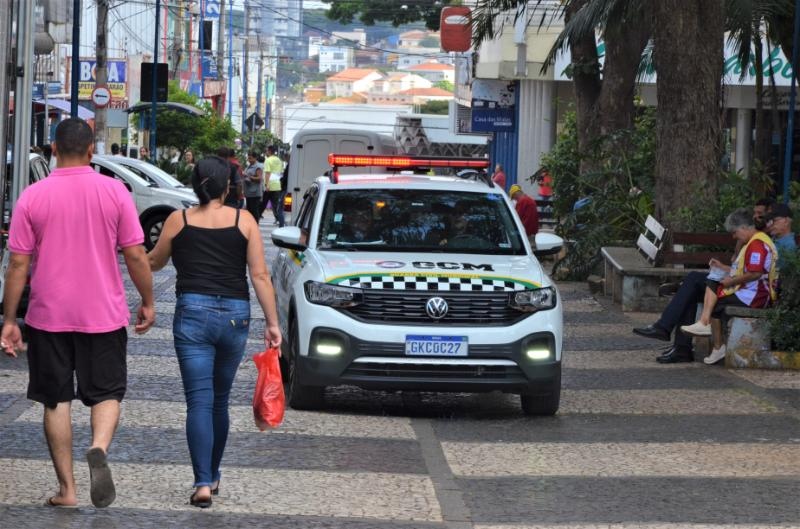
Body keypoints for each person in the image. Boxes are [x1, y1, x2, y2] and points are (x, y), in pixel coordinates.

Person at [1, 118, 155, 508]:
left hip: (48, 315)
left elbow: (18, 265)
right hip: (102, 313)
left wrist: (7, 321)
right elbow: (136, 254)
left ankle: (67, 490)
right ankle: (99, 447)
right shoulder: (115, 191)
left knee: (56, 400)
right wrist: (148, 301)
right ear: (92, 151)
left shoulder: (32, 196)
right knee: (106, 393)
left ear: (53, 149)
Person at [147, 156, 282, 509]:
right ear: (228, 186)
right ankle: (215, 472)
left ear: (195, 185)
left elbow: (153, 262)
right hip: (235, 316)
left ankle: (202, 482)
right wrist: (272, 323)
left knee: (198, 401)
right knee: (219, 400)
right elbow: (260, 276)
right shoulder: (245, 220)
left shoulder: (178, 220)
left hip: (192, 313)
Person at [680, 209, 778, 364]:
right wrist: (724, 268)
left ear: (744, 228)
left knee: (715, 301)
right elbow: (742, 270)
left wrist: (731, 282)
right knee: (712, 285)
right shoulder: (753, 242)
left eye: (735, 233)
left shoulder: (757, 244)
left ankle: (714, 341)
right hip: (748, 291)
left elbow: (755, 273)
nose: (734, 237)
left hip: (756, 296)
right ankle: (707, 329)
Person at [766, 203, 796, 269]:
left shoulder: (790, 245)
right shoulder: (772, 239)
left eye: (774, 220)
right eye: (769, 221)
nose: (770, 225)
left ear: (786, 221)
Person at [262, 146, 285, 227]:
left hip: (270, 186)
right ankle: (278, 219)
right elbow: (281, 172)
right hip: (277, 185)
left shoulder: (268, 160)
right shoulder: (279, 160)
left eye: (266, 151)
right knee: (275, 204)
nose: (266, 152)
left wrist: (267, 185)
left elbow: (267, 173)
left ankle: (256, 218)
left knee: (263, 203)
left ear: (269, 151)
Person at [243, 151, 264, 221]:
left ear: (255, 158)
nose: (249, 160)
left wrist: (248, 176)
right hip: (249, 192)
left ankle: (255, 226)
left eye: (251, 158)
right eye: (248, 158)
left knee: (254, 211)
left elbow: (259, 178)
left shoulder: (258, 166)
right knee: (249, 211)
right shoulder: (249, 166)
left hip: (254, 193)